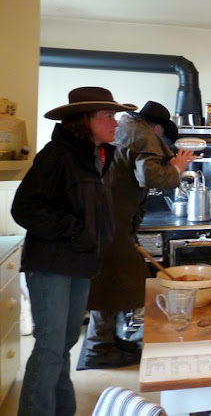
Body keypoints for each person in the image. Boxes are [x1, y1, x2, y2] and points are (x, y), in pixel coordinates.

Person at [11, 87, 137, 416]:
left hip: (80, 263)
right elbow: (25, 208)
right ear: (85, 120)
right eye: (108, 116)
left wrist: (95, 236)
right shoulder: (58, 155)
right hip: (52, 264)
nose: (116, 122)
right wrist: (77, 231)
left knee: (64, 345)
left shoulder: (95, 157)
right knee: (51, 349)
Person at [84, 101, 197, 368]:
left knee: (114, 280)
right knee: (114, 280)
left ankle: (109, 340)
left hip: (106, 218)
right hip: (111, 221)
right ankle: (98, 349)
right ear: (157, 129)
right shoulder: (143, 135)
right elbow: (149, 176)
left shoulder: (126, 130)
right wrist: (178, 167)